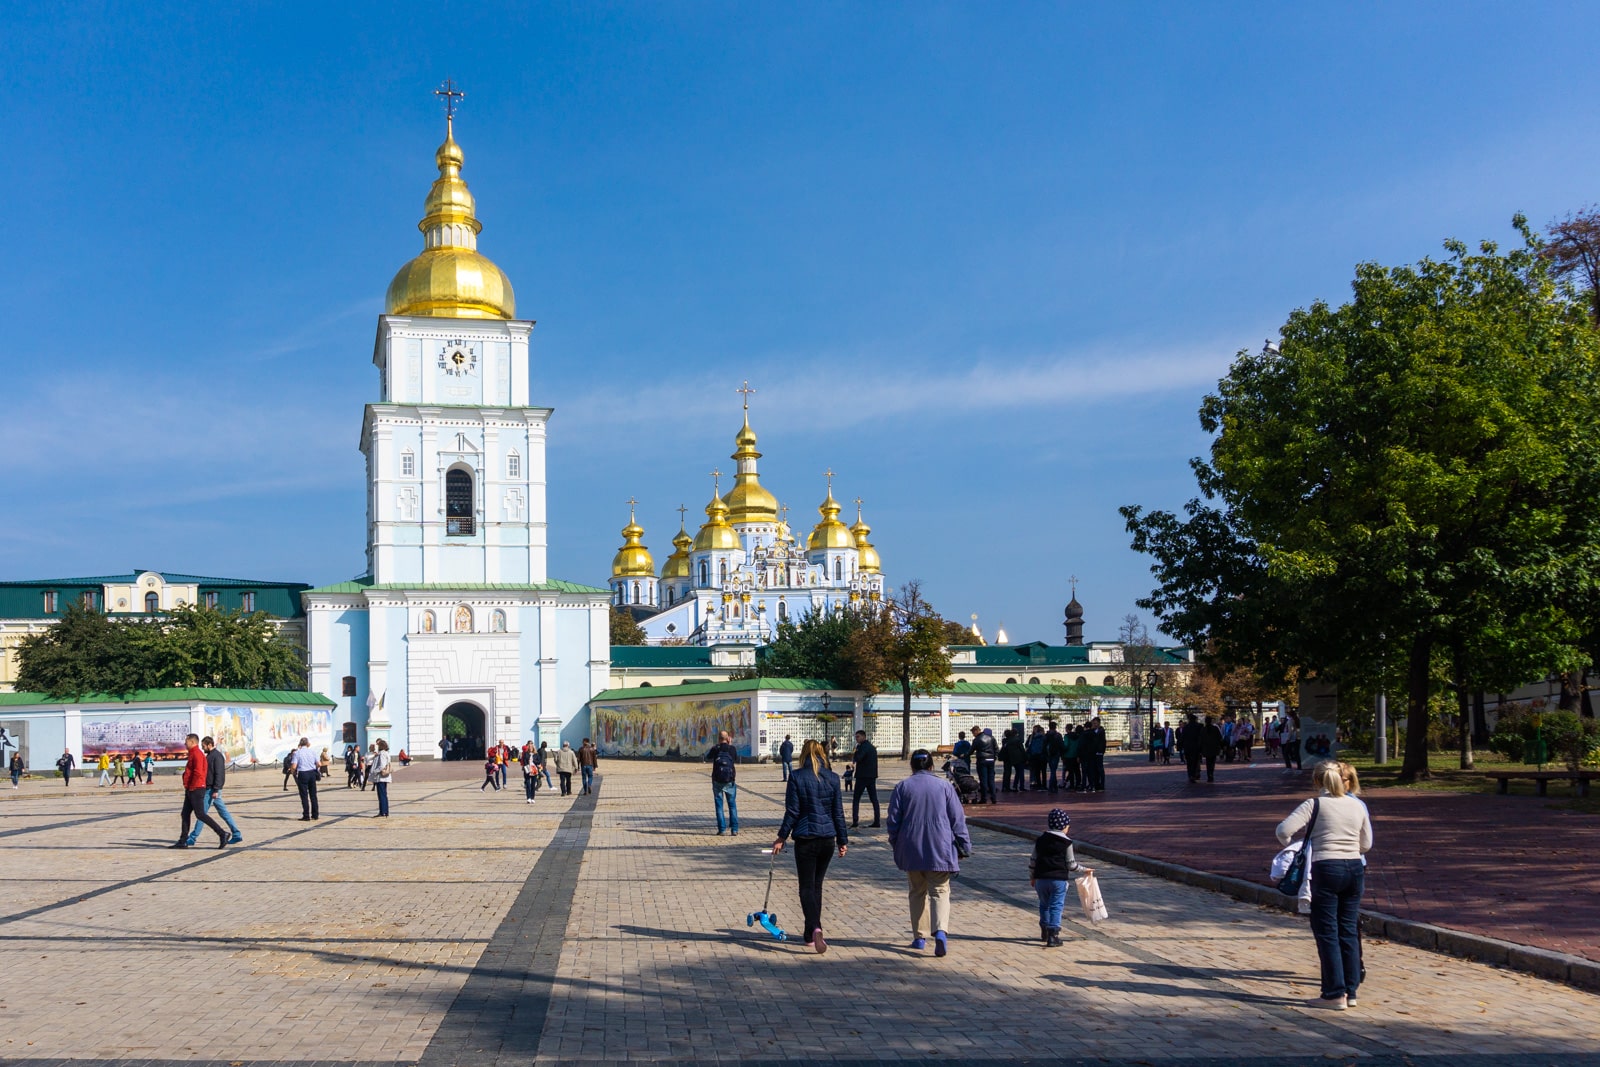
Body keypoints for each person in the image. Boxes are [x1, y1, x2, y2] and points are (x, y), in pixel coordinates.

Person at [1276, 761, 1372, 1010]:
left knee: (1327, 931)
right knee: (1348, 929)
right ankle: (1351, 990)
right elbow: (1367, 843)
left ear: (1318, 782)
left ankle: (1333, 992)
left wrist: (1292, 843)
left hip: (1326, 868)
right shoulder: (1357, 805)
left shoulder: (1314, 804)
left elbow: (1283, 830)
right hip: (1354, 868)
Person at [886, 748, 970, 957]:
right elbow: (957, 819)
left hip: (911, 847)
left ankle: (919, 937)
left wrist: (896, 843)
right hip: (940, 847)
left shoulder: (903, 787)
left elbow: (893, 820)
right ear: (932, 766)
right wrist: (964, 845)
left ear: (912, 766)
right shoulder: (944, 787)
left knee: (917, 891)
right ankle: (940, 931)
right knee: (940, 891)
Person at [772, 739, 849, 952]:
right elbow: (838, 813)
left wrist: (781, 837)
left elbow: (793, 811)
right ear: (823, 754)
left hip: (806, 838)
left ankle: (815, 927)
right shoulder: (833, 778)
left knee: (806, 886)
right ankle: (809, 933)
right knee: (817, 886)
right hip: (827, 839)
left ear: (803, 754)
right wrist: (843, 840)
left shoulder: (796, 777)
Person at [1029, 808, 1087, 947]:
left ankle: (1044, 928)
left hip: (1041, 879)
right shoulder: (1066, 843)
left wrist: (1032, 877)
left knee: (1044, 905)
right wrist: (1084, 869)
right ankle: (1053, 934)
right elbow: (1071, 864)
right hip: (1058, 880)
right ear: (1063, 826)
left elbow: (1033, 860)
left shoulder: (1041, 840)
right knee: (1056, 906)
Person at [183, 736, 243, 846]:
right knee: (223, 813)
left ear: (210, 745)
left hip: (211, 790)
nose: (203, 748)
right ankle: (236, 833)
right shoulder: (209, 756)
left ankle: (192, 838)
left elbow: (219, 774)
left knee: (201, 814)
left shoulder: (217, 756)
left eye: (204, 746)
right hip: (209, 788)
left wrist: (216, 789)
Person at [173, 734, 230, 849]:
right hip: (191, 788)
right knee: (185, 814)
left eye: (186, 742)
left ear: (192, 742)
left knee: (200, 814)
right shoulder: (193, 753)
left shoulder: (197, 754)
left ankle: (222, 833)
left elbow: (198, 773)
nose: (185, 744)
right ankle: (183, 840)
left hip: (196, 788)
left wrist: (193, 787)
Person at [704, 730, 740, 836]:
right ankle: (734, 829)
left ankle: (722, 829)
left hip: (717, 781)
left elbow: (708, 757)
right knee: (732, 805)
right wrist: (730, 745)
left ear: (719, 739)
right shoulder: (732, 749)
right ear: (728, 738)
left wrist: (717, 747)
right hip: (730, 780)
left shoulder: (715, 749)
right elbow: (735, 759)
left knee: (719, 806)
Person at [849, 729, 880, 827]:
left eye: (858, 737)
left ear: (863, 736)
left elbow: (858, 758)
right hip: (871, 776)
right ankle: (877, 821)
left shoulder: (863, 747)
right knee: (874, 799)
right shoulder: (872, 747)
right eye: (856, 737)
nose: (856, 739)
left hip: (862, 776)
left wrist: (856, 752)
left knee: (856, 799)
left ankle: (855, 821)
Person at [288, 737, 321, 820]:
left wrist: (293, 772)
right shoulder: (312, 752)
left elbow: (294, 766)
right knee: (313, 795)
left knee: (304, 795)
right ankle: (315, 814)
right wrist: (314, 768)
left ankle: (306, 815)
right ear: (307, 744)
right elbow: (319, 764)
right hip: (312, 773)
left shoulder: (297, 753)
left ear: (300, 744)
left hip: (302, 773)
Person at [972, 727, 999, 804]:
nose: (973, 735)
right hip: (991, 760)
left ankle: (984, 798)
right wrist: (994, 757)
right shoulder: (992, 738)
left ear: (976, 731)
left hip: (982, 760)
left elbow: (971, 750)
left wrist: (964, 755)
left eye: (973, 733)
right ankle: (994, 798)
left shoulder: (977, 739)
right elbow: (996, 749)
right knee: (991, 779)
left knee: (983, 780)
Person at [370, 739, 393, 817]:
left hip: (381, 777)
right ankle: (385, 811)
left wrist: (374, 771)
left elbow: (381, 766)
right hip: (383, 777)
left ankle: (382, 812)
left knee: (381, 795)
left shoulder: (382, 754)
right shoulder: (385, 753)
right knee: (383, 794)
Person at [1084, 718, 1107, 791]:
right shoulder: (1093, 731)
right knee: (1094, 769)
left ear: (1099, 723)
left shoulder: (1101, 731)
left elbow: (1101, 742)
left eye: (1095, 723)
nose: (1094, 725)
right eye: (1093, 723)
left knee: (1100, 768)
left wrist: (1100, 751)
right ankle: (1096, 784)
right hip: (1093, 753)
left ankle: (1101, 785)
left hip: (1099, 752)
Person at [1201, 715, 1225, 782]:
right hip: (1214, 748)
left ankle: (1209, 775)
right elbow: (1220, 738)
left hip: (1206, 748)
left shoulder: (1203, 729)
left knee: (1208, 762)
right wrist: (1221, 746)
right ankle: (1211, 774)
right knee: (1212, 762)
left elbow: (1201, 739)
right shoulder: (1215, 728)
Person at [1044, 722, 1065, 792]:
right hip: (1056, 754)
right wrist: (1062, 754)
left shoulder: (1046, 735)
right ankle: (1051, 786)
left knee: (1052, 770)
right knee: (1053, 770)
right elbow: (1062, 745)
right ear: (1055, 727)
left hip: (1049, 754)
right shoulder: (1058, 735)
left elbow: (1044, 745)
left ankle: (1054, 786)